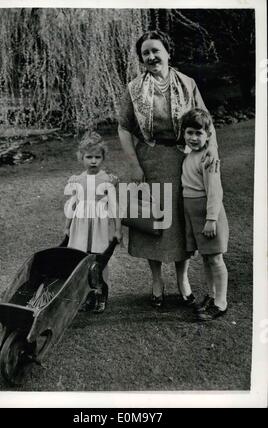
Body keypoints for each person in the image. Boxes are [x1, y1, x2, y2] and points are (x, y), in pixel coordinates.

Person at [118, 30, 219, 308]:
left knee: (179, 223)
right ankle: (156, 282)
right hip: (149, 162)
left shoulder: (187, 83)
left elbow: (206, 122)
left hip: (182, 161)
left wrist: (212, 155)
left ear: (167, 52)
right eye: (145, 53)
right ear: (141, 59)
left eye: (155, 51)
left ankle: (183, 280)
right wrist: (134, 165)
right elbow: (124, 128)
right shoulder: (134, 88)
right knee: (152, 223)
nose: (151, 57)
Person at [64, 131, 122, 313]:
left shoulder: (108, 180)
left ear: (103, 158)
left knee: (99, 261)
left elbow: (114, 207)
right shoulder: (77, 180)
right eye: (89, 157)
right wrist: (67, 227)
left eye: (98, 157)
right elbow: (72, 205)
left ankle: (101, 295)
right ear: (81, 157)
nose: (93, 161)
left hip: (99, 225)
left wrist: (118, 229)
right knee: (81, 261)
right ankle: (87, 296)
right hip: (80, 225)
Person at [180, 108, 229, 320]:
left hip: (209, 215)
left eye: (199, 133)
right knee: (207, 259)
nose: (193, 137)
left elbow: (215, 192)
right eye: (190, 132)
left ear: (208, 135)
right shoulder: (190, 155)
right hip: (193, 213)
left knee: (216, 259)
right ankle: (211, 296)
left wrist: (211, 219)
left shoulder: (209, 159)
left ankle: (221, 302)